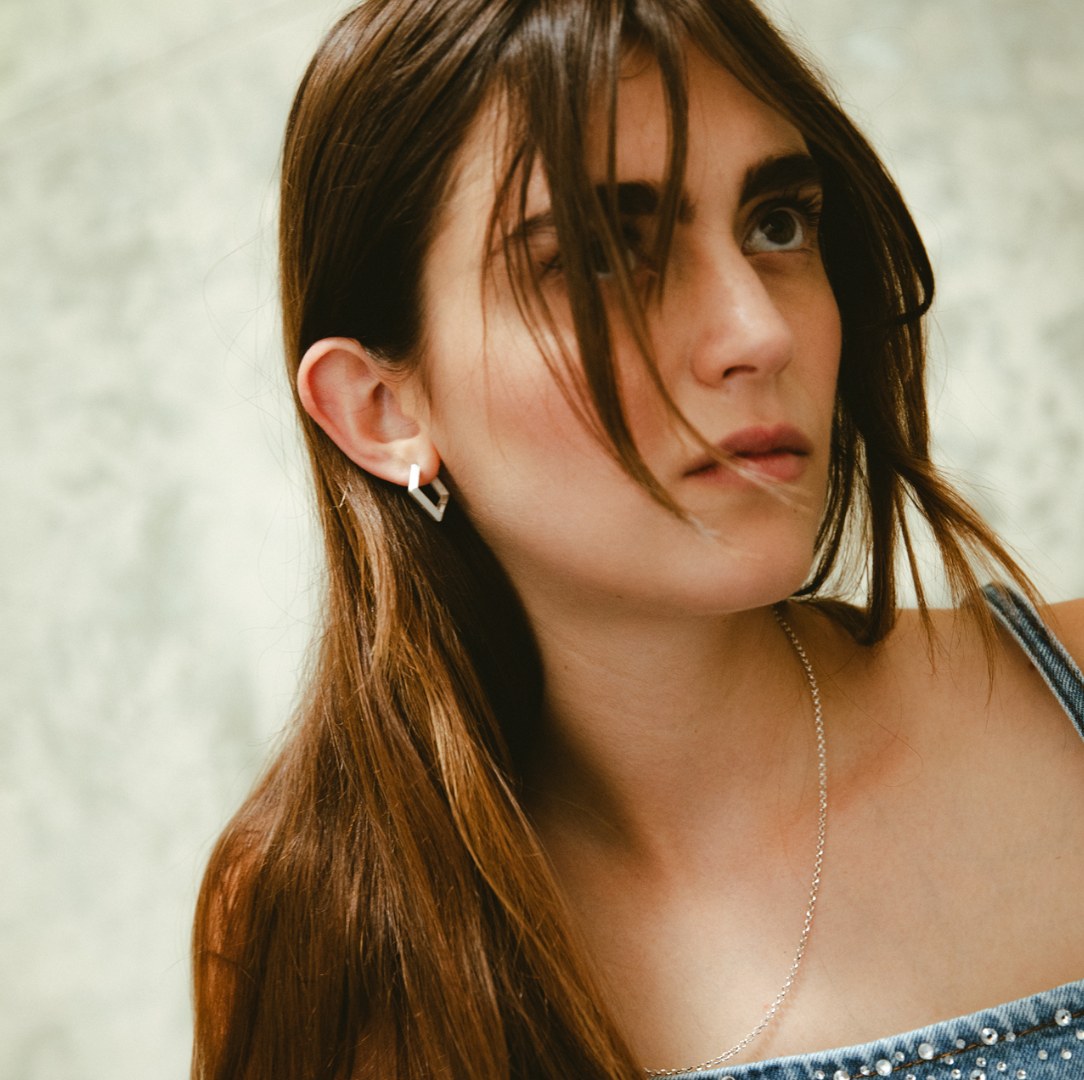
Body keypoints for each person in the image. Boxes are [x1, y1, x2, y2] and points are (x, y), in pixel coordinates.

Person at [191, 1, 1084, 1077]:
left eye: (777, 225)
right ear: (382, 410)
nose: (758, 330)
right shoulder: (328, 929)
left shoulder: (1066, 701)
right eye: (605, 254)